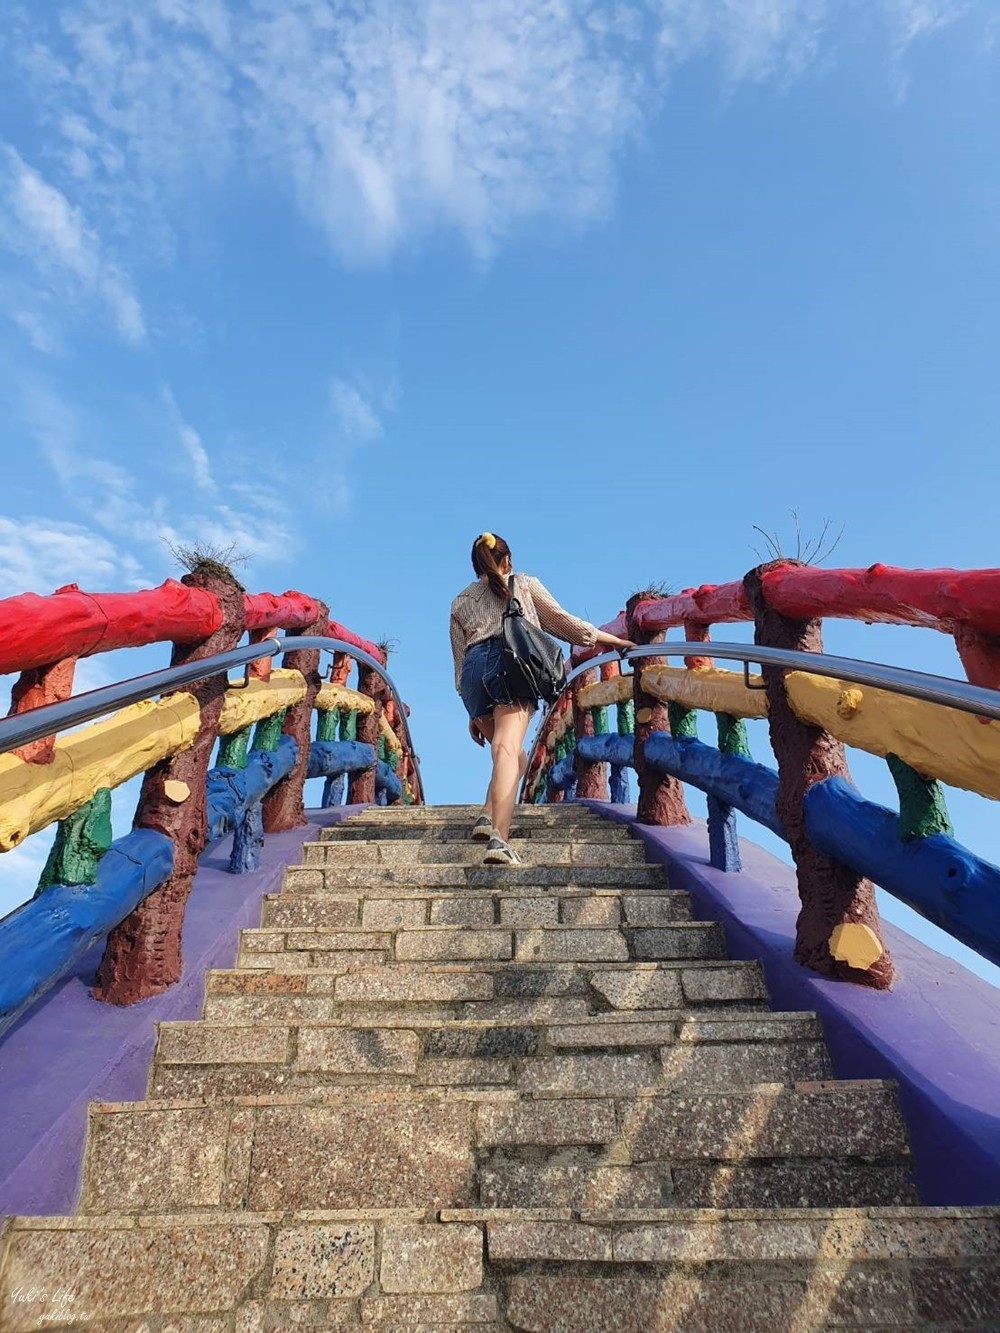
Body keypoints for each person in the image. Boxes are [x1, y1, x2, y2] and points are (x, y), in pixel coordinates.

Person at [449, 532, 635, 865]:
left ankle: (487, 813)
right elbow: (565, 625)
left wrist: (472, 711)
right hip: (511, 664)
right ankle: (500, 839)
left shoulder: (459, 601)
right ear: (507, 560)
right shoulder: (522, 584)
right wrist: (615, 642)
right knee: (507, 749)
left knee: (513, 756)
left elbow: (461, 663)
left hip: (474, 677)